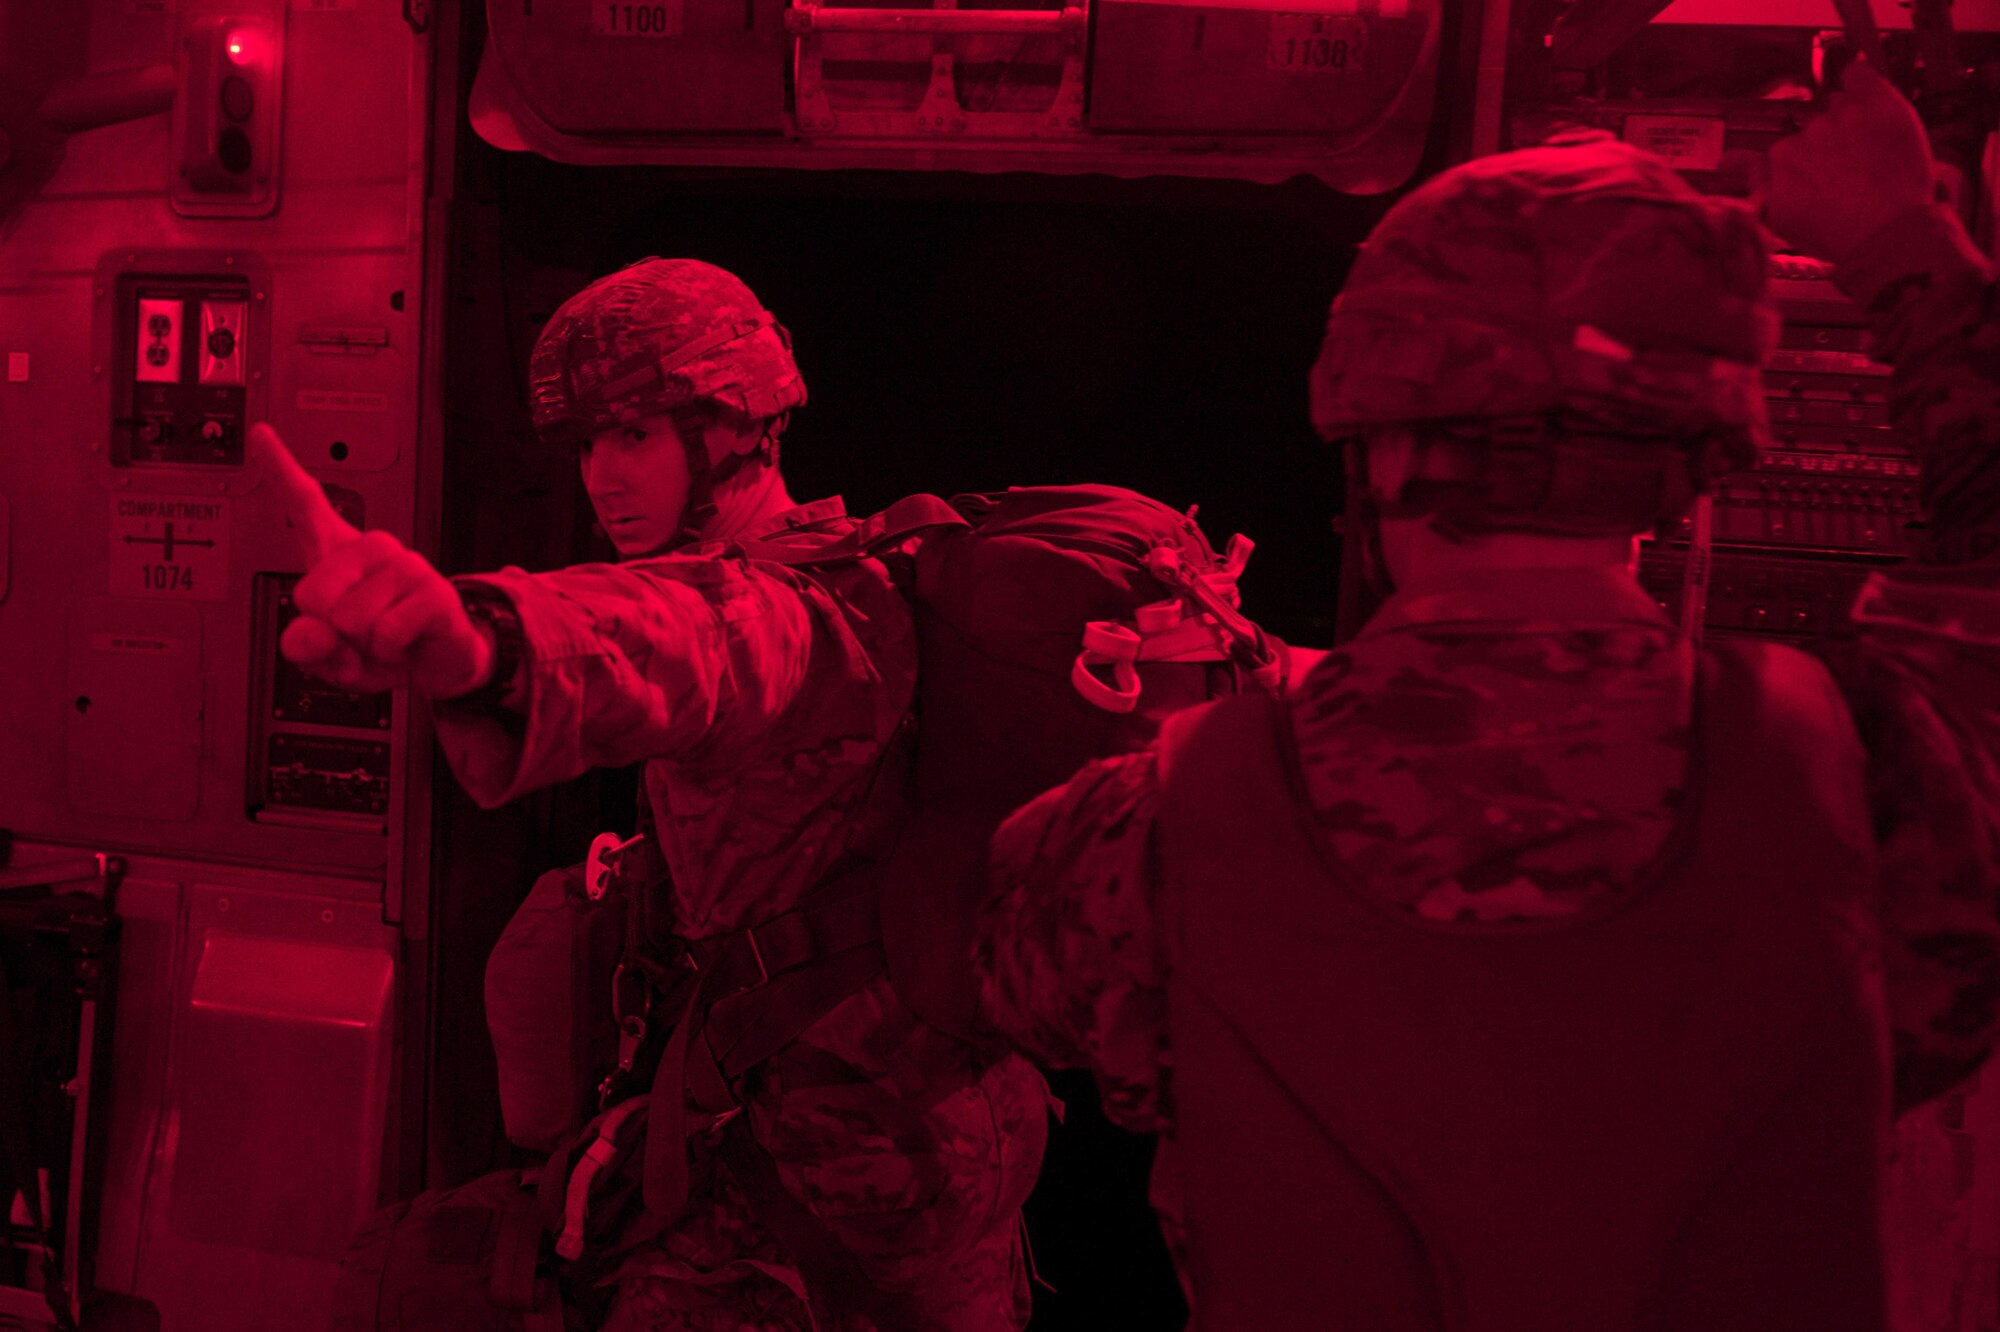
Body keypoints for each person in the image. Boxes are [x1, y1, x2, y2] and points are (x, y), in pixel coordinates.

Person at [973, 61, 2000, 1329]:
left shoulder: (1146, 831)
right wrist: (1897, 236)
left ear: (1381, 443)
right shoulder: (1875, 784)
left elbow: (1020, 980)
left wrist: (1185, 729)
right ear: (1689, 469)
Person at [261, 258, 1047, 1330]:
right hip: (938, 1163)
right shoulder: (866, 568)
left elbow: (676, 638)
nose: (600, 478)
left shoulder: (794, 613)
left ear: (732, 431)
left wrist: (478, 638)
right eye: (587, 444)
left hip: (811, 1199)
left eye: (632, 435)